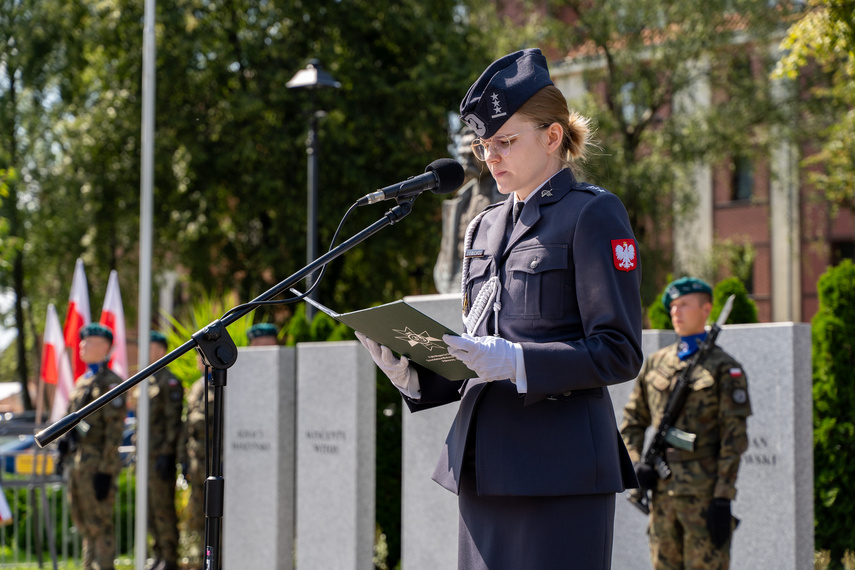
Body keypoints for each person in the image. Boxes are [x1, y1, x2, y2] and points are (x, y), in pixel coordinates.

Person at [356, 48, 643, 569]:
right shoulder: (483, 225)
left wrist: (518, 362)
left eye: (505, 141)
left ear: (552, 137)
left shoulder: (593, 214)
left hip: (559, 471)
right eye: (484, 144)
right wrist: (413, 359)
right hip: (484, 465)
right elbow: (479, 352)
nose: (491, 157)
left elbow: (619, 352)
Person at [619, 277, 752, 569]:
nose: (676, 312)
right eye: (673, 306)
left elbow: (734, 438)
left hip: (704, 497)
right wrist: (636, 463)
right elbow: (632, 421)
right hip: (662, 496)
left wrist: (723, 497)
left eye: (684, 305)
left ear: (706, 310)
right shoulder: (656, 363)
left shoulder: (724, 368)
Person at [65, 323, 126, 570]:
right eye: (82, 341)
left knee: (100, 523)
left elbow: (114, 432)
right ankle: (88, 566)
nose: (81, 345)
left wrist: (105, 469)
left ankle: (104, 566)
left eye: (88, 342)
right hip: (79, 462)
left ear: (105, 347)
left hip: (98, 465)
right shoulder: (83, 381)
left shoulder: (111, 383)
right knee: (84, 522)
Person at [143, 331, 184, 570]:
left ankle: (169, 558)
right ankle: (157, 553)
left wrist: (168, 454)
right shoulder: (146, 381)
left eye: (149, 347)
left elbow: (173, 422)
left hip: (160, 457)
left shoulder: (169, 382)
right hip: (146, 459)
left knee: (163, 509)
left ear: (160, 350)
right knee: (149, 509)